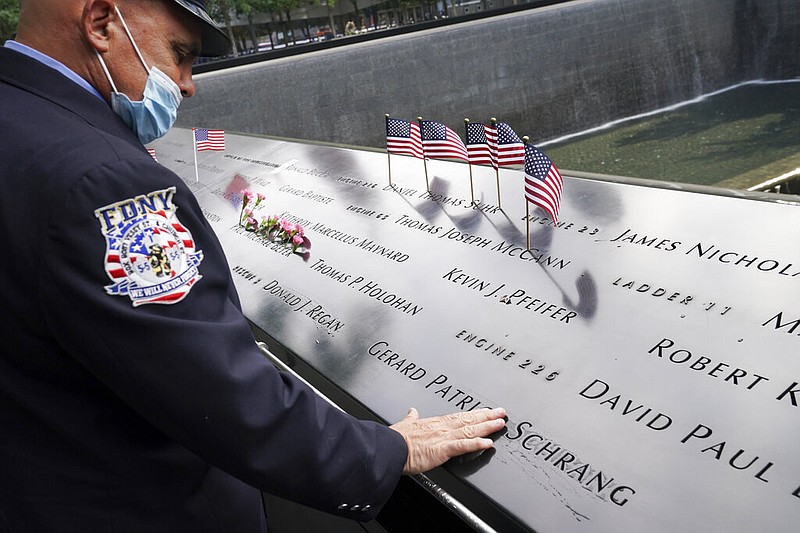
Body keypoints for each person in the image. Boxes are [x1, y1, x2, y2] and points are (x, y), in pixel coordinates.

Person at [0, 1, 507, 531]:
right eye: (180, 55)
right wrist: (382, 451)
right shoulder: (104, 180)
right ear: (101, 24)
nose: (186, 84)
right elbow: (213, 390)